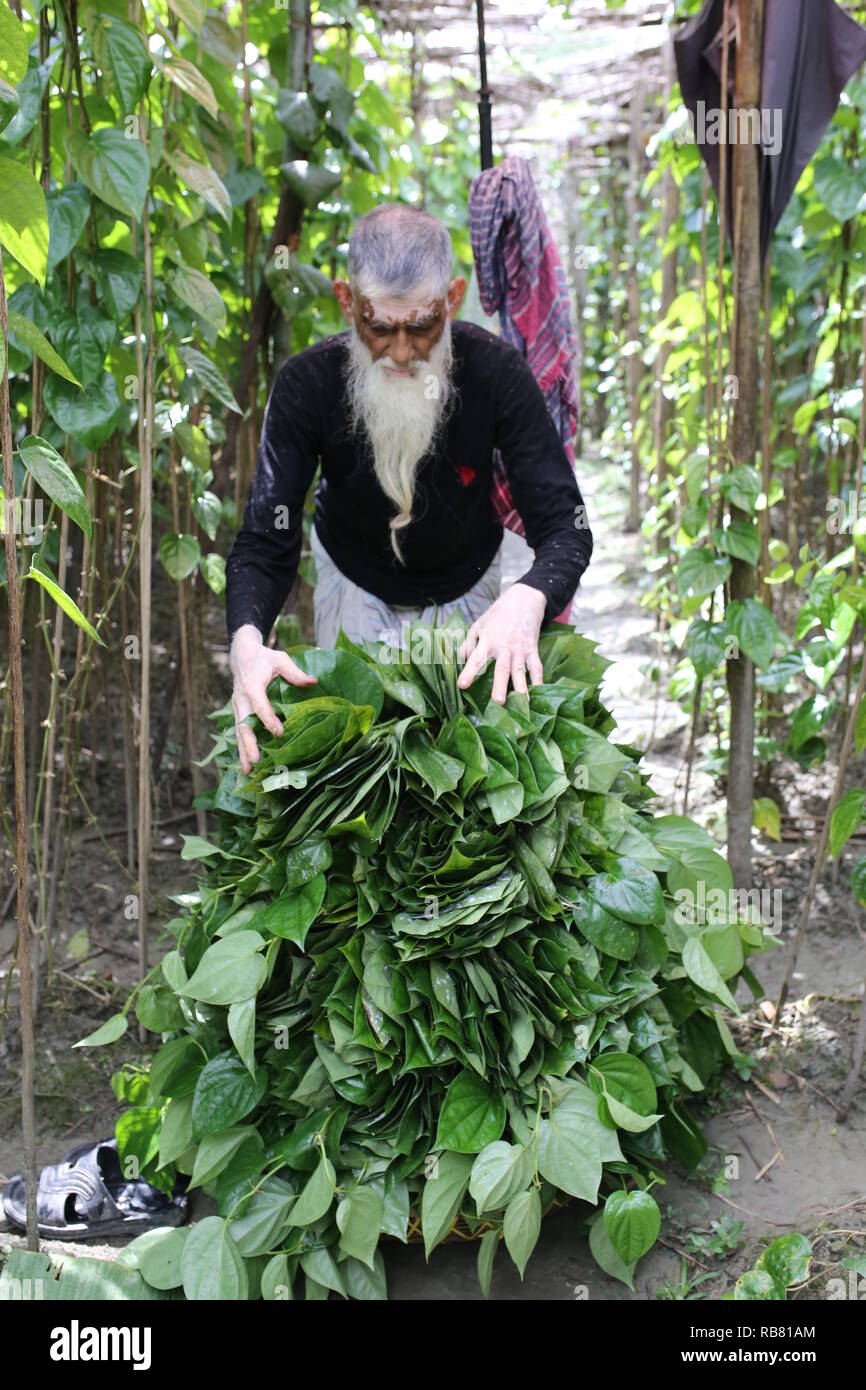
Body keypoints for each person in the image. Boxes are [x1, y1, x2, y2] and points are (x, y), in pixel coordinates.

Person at [225, 203, 592, 774]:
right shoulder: (306, 383)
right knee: (353, 770)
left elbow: (567, 526)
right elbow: (264, 542)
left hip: (467, 586)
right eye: (378, 327)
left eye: (422, 326)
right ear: (347, 302)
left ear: (452, 299)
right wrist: (246, 640)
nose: (401, 351)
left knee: (464, 773)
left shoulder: (496, 373)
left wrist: (529, 596)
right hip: (351, 579)